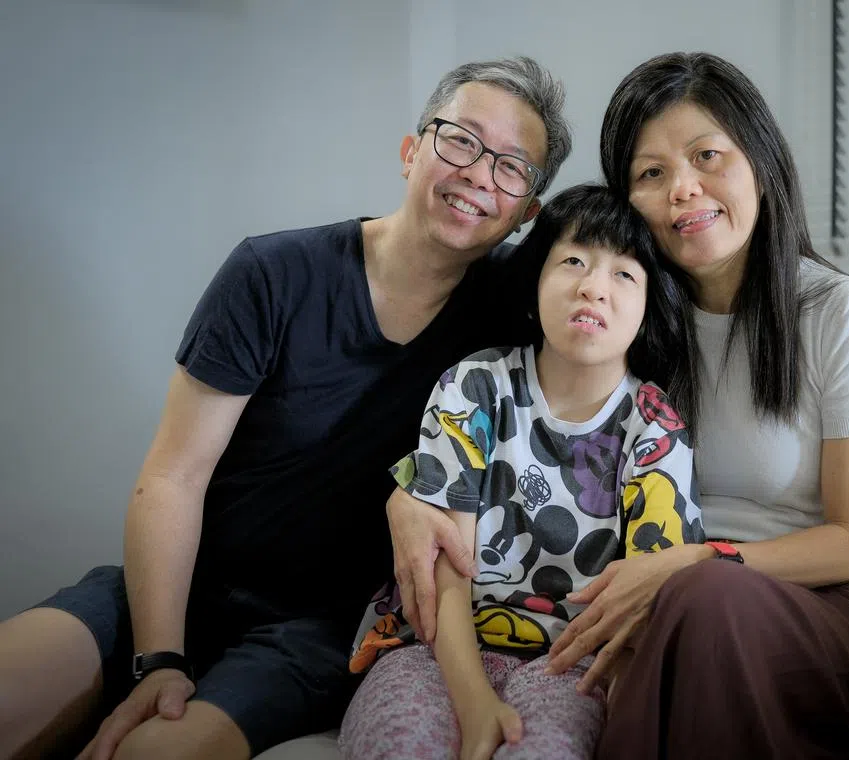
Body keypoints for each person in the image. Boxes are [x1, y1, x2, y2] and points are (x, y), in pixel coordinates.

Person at [0, 56, 571, 760]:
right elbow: (173, 477)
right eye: (461, 140)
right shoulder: (273, 272)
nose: (480, 175)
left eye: (512, 168)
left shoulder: (518, 314)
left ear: (526, 213)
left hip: (316, 634)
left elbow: (617, 283)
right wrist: (159, 659)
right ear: (410, 150)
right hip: (177, 585)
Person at [388, 51, 849, 760]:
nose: (684, 189)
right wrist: (409, 492)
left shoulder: (842, 315)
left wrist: (695, 562)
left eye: (707, 156)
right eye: (652, 173)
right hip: (654, 590)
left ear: (760, 160)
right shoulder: (628, 311)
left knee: (700, 602)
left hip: (800, 600)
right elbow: (482, 390)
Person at [338, 184, 705, 760]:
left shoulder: (655, 428)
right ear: (535, 285)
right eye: (573, 261)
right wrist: (474, 703)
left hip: (570, 662)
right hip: (433, 646)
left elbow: (643, 597)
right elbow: (446, 563)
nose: (593, 287)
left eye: (623, 274)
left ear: (649, 308)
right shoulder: (475, 387)